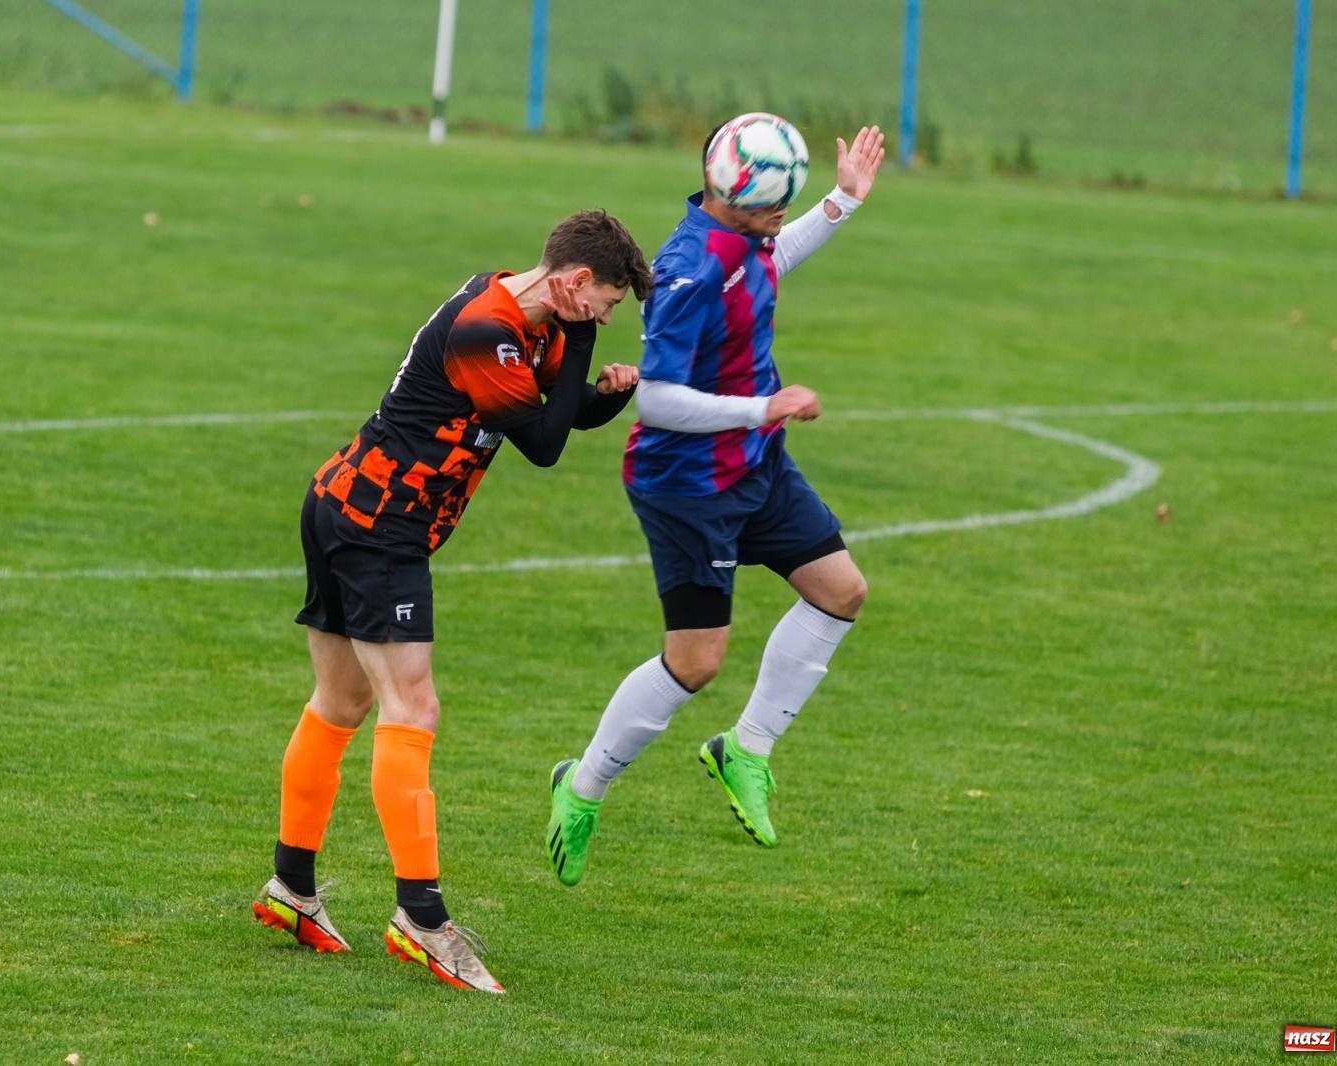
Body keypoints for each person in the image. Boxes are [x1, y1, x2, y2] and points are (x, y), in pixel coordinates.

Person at [253, 210, 651, 992]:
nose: (605, 318)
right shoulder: (488, 327)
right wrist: (586, 349)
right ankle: (423, 921)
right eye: (604, 304)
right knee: (415, 706)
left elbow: (545, 416)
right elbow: (540, 448)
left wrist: (600, 396)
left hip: (347, 502)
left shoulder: (525, 317)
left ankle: (291, 889)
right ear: (573, 283)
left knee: (339, 703)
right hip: (380, 524)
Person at [545, 119, 885, 886]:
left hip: (754, 466)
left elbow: (771, 256)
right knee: (696, 661)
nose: (780, 214)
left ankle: (747, 749)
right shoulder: (690, 271)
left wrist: (841, 203)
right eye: (775, 203)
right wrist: (761, 410)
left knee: (841, 592)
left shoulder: (744, 233)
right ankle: (583, 785)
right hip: (687, 485)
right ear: (731, 193)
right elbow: (658, 401)